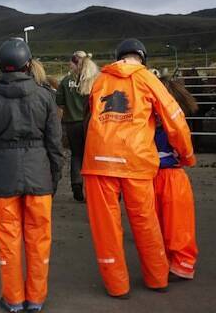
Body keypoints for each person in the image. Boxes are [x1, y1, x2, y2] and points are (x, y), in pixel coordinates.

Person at [81, 38, 194, 298]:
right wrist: (186, 155)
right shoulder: (148, 79)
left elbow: (93, 114)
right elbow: (174, 118)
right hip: (136, 162)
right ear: (142, 58)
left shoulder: (99, 80)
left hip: (98, 162)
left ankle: (117, 286)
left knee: (106, 228)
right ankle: (157, 279)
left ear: (119, 55)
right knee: (145, 222)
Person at [0, 38, 64, 313]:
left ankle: (13, 300)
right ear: (28, 64)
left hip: (3, 180)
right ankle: (36, 298)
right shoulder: (45, 96)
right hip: (39, 179)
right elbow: (55, 145)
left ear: (2, 67)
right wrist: (54, 178)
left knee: (8, 242)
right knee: (38, 241)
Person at [153, 75, 199, 280]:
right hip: (157, 175)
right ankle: (171, 261)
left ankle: (183, 264)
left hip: (171, 176)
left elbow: (183, 150)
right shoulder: (161, 120)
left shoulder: (172, 122)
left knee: (176, 224)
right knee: (162, 223)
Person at [55, 51, 99, 201]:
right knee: (91, 155)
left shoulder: (66, 81)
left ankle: (77, 186)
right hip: (91, 124)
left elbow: (59, 104)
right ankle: (92, 188)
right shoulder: (94, 80)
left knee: (76, 155)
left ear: (74, 63)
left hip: (72, 124)